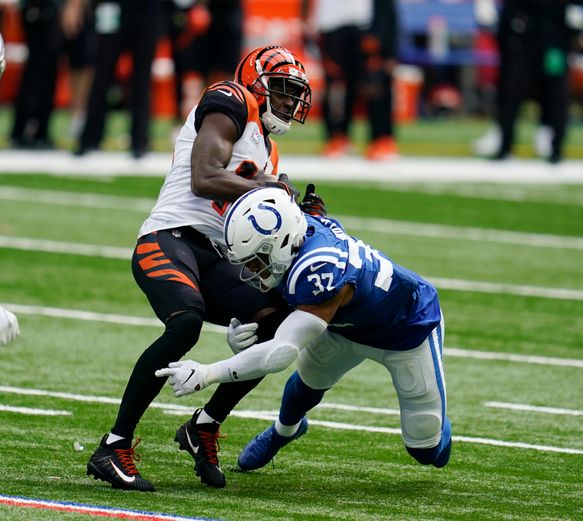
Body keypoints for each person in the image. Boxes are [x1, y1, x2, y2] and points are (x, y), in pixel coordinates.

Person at [86, 45, 314, 492]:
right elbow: (204, 176)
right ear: (255, 83)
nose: (289, 102)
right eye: (283, 90)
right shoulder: (230, 99)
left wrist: (295, 215)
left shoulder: (269, 152)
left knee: (279, 326)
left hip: (213, 254)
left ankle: (204, 425)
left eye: (296, 93)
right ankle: (113, 445)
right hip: (168, 237)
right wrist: (264, 186)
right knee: (185, 322)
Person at [156, 186, 451, 470]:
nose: (253, 270)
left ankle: (441, 421)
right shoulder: (298, 232)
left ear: (282, 244)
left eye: (258, 260)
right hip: (344, 325)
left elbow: (279, 353)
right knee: (309, 382)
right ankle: (284, 431)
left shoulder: (318, 269)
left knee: (426, 451)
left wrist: (208, 373)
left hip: (406, 330)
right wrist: (252, 328)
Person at [482, 0, 583, 163]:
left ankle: (556, 148)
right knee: (511, 91)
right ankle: (505, 145)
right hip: (524, 36)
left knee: (556, 93)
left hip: (555, 39)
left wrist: (577, 11)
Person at [302, 0, 400, 160]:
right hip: (330, 26)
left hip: (366, 26)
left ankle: (382, 138)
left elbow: (387, 8)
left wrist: (385, 41)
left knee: (374, 84)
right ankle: (337, 136)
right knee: (336, 87)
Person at [75, 0, 160, 158]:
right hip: (111, 7)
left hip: (145, 11)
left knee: (141, 79)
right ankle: (90, 138)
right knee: (102, 75)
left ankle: (140, 140)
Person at [9, 0, 92, 149]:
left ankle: (39, 130)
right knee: (38, 70)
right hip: (40, 10)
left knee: (48, 71)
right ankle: (24, 129)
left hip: (50, 10)